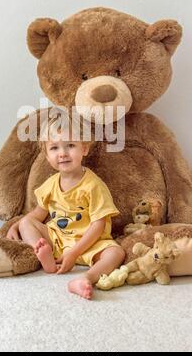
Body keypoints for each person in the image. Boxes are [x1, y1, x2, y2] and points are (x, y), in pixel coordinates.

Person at [7, 108, 125, 299]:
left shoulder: (93, 185)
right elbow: (37, 214)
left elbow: (99, 225)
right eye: (54, 148)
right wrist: (17, 225)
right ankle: (45, 257)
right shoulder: (51, 184)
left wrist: (73, 253)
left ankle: (85, 278)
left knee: (116, 253)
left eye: (70, 145)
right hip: (57, 239)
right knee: (27, 222)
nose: (62, 153)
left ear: (84, 148)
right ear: (47, 155)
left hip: (88, 241)